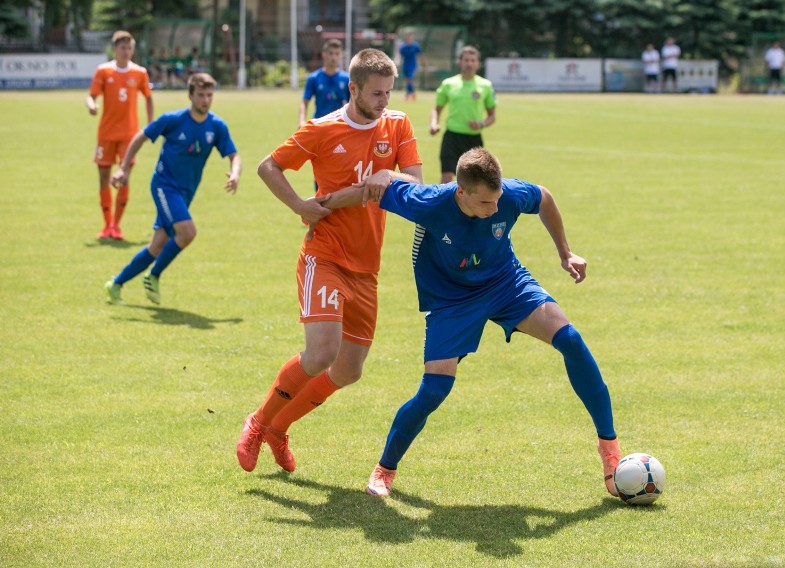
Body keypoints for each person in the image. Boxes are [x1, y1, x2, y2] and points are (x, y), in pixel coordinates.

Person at [315, 147, 622, 498]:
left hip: (505, 282)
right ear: (461, 192)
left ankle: (609, 449)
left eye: (497, 201)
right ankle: (385, 469)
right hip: (452, 300)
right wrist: (318, 205)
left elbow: (545, 198)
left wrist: (565, 252)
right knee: (434, 391)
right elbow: (370, 190)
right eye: (485, 204)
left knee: (570, 339)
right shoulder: (430, 202)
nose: (495, 210)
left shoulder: (508, 195)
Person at [236, 48, 424, 474]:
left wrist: (388, 175)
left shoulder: (397, 125)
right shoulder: (322, 129)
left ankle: (278, 430)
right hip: (325, 254)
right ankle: (257, 422)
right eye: (376, 93)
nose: (384, 101)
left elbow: (416, 181)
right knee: (321, 353)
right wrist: (299, 205)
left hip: (367, 266)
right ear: (353, 88)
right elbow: (269, 167)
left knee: (349, 371)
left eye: (389, 93)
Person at [103, 73, 241, 305]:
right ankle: (153, 276)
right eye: (201, 95)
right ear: (190, 96)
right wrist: (124, 169)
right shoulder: (173, 119)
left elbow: (233, 155)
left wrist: (235, 173)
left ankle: (115, 284)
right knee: (187, 232)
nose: (206, 100)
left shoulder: (216, 126)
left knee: (157, 245)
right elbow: (140, 137)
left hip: (186, 193)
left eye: (209, 95)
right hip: (164, 186)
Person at [86, 30, 154, 241]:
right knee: (104, 177)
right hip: (106, 133)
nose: (126, 51)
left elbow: (148, 98)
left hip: (129, 136)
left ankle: (117, 225)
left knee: (123, 178)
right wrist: (91, 105)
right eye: (122, 47)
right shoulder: (103, 71)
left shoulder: (140, 72)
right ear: (115, 49)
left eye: (129, 48)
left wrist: (150, 125)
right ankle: (107, 225)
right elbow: (91, 96)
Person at [430, 45, 496, 183]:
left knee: (474, 182)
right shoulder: (449, 84)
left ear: (478, 63)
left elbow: (492, 116)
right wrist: (434, 123)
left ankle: (467, 205)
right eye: (466, 60)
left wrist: (482, 124)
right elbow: (436, 109)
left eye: (473, 60)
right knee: (447, 178)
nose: (469, 63)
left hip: (473, 139)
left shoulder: (485, 85)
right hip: (452, 137)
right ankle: (445, 205)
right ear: (459, 62)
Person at [299, 39, 350, 127]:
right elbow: (305, 102)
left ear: (340, 56)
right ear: (324, 54)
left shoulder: (347, 79)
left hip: (340, 124)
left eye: (337, 54)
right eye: (331, 53)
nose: (334, 57)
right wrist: (301, 120)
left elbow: (353, 103)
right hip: (319, 123)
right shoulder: (313, 78)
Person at [399, 33, 425, 101]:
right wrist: (398, 63)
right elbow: (400, 56)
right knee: (407, 81)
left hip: (412, 65)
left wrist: (424, 64)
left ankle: (408, 95)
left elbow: (421, 55)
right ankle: (412, 93)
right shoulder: (403, 46)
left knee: (409, 80)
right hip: (405, 64)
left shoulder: (415, 46)